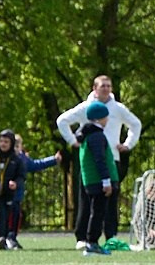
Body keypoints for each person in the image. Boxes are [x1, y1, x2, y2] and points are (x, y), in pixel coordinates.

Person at [57, 76, 142, 239]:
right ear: (94, 88)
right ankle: (82, 237)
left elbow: (135, 124)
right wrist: (73, 141)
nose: (106, 89)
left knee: (111, 201)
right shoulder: (86, 108)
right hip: (90, 160)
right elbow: (62, 120)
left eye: (109, 86)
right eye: (103, 86)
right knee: (87, 198)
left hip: (112, 158)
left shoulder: (118, 108)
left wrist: (127, 144)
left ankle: (111, 236)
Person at [0, 129, 59, 250]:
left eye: (6, 142)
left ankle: (11, 238)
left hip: (13, 194)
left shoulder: (18, 159)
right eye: (1, 141)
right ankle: (2, 238)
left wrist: (16, 183)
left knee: (13, 216)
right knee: (0, 215)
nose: (3, 144)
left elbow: (26, 172)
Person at [74, 100, 116, 256]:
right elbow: (100, 159)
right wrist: (106, 180)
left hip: (89, 180)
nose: (107, 119)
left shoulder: (87, 135)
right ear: (99, 119)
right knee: (98, 212)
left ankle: (91, 242)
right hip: (97, 180)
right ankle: (92, 242)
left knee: (95, 211)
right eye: (105, 117)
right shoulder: (97, 136)